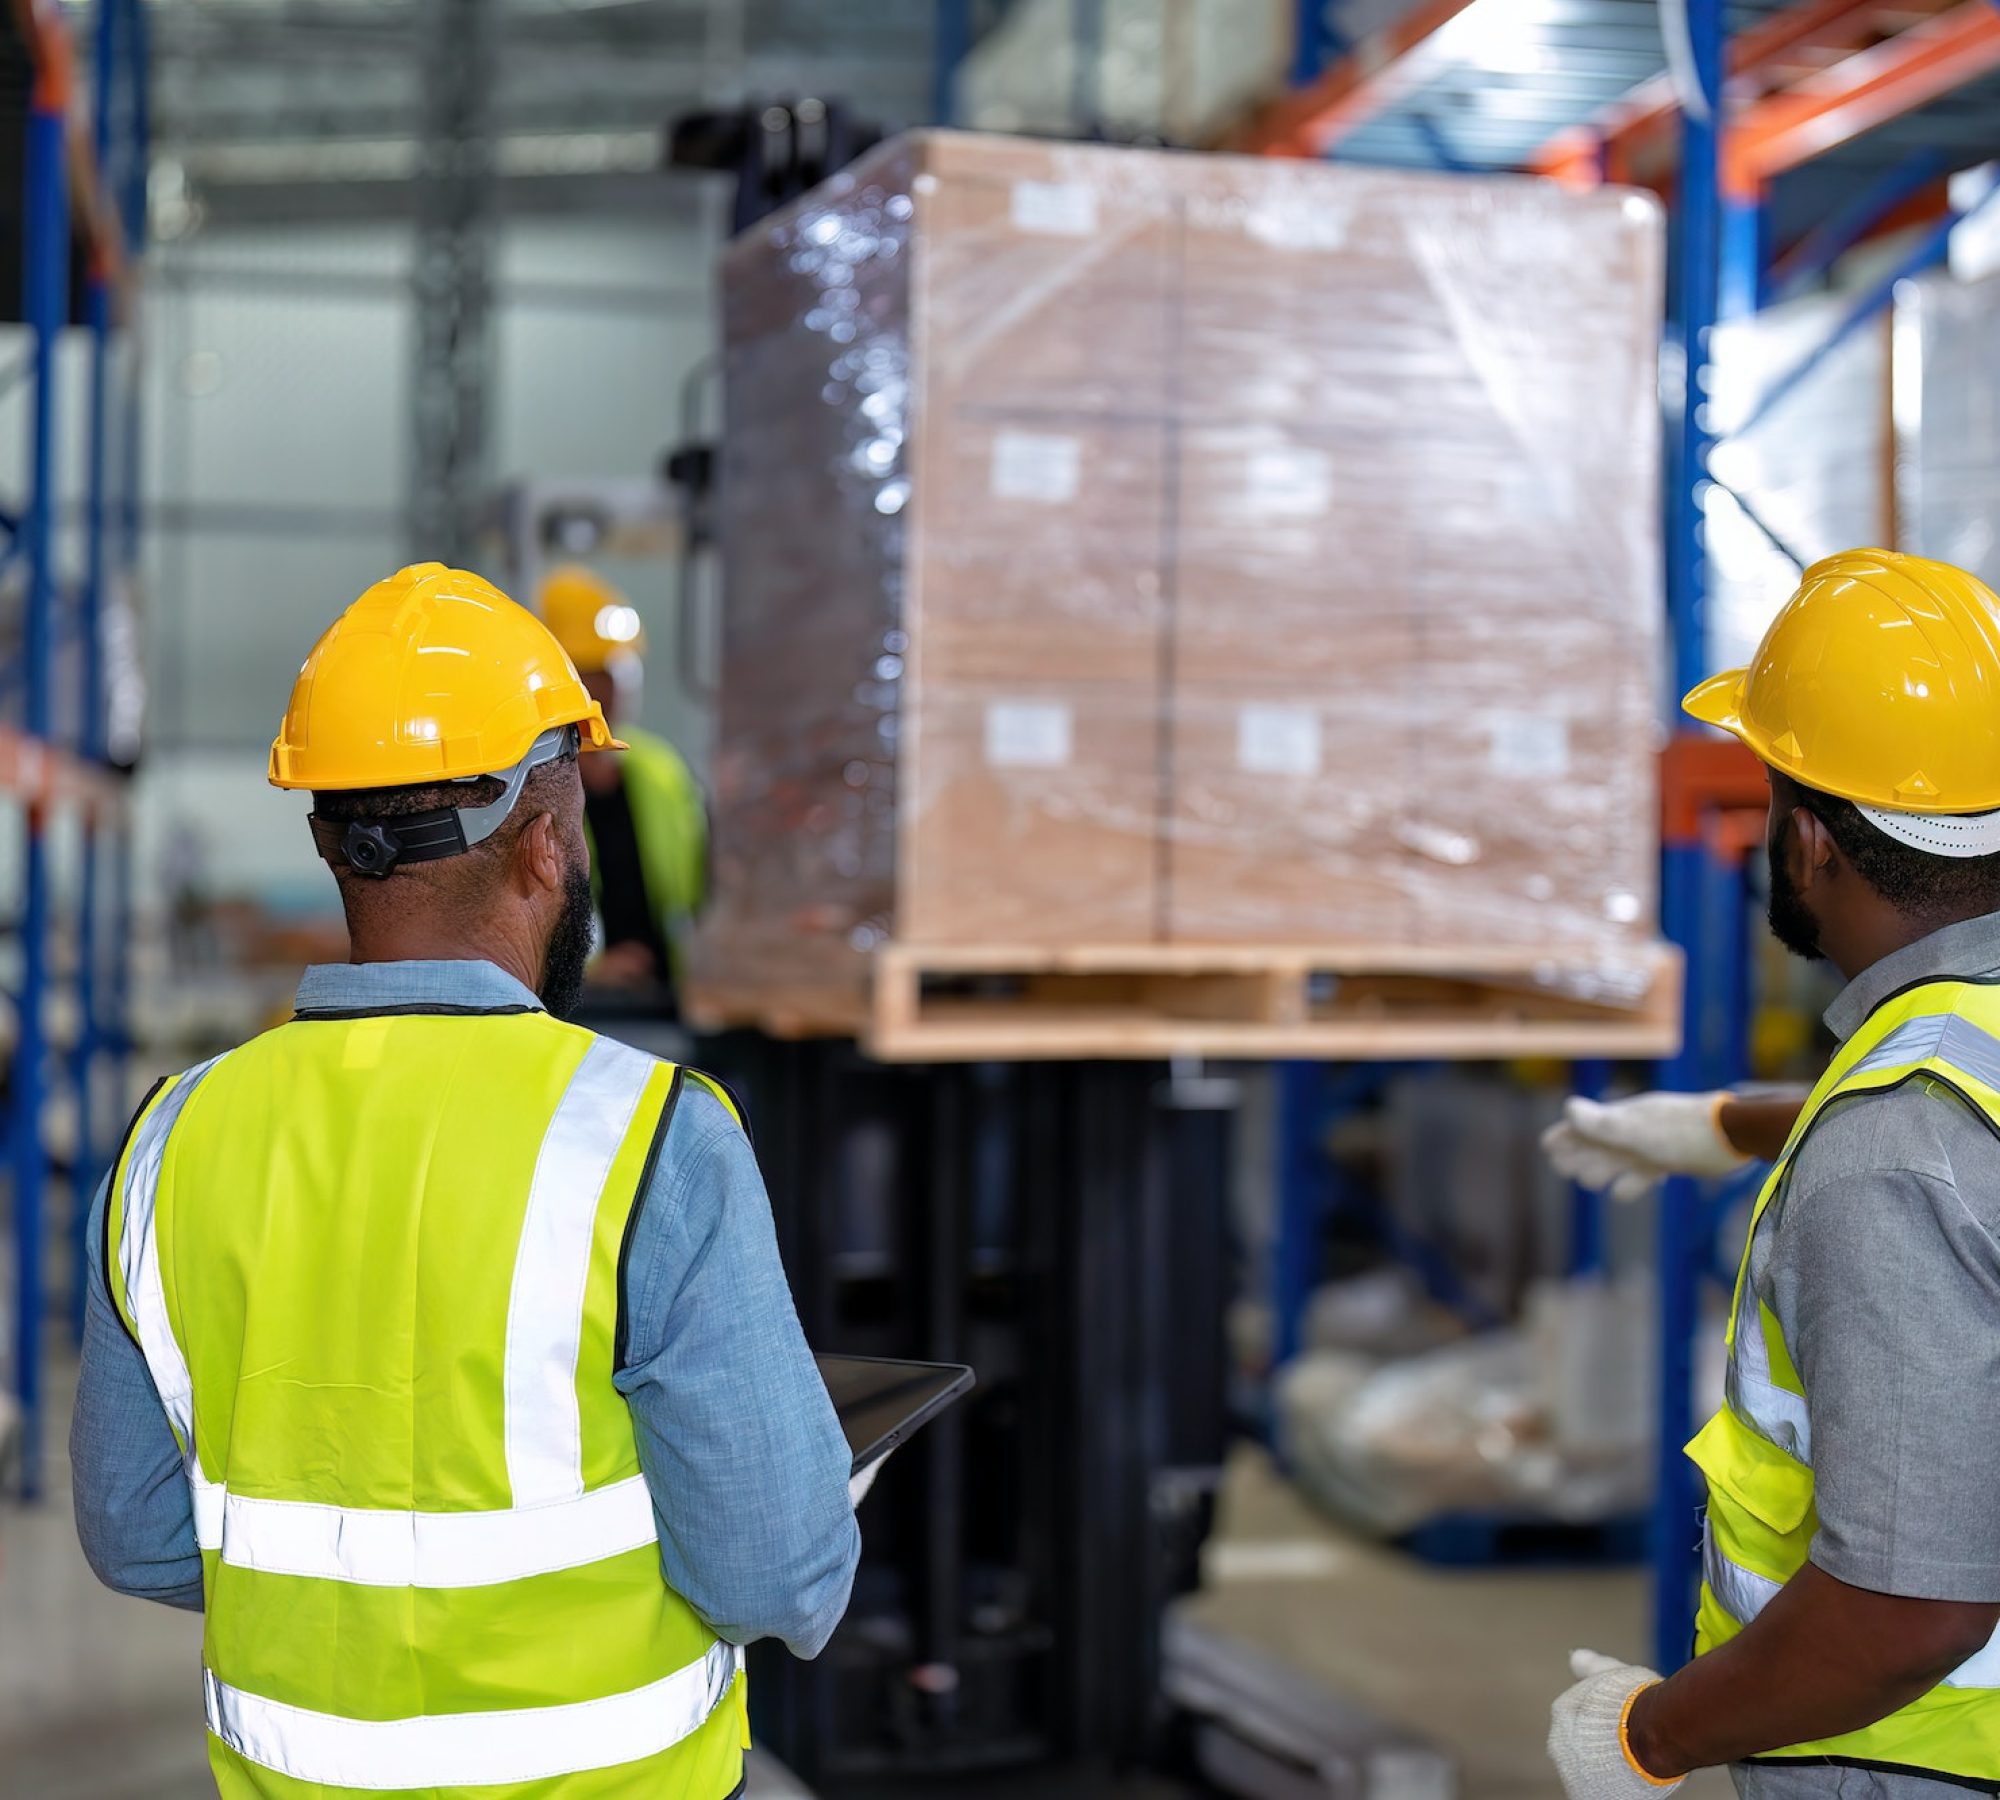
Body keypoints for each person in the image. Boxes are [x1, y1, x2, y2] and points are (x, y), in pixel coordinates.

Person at [71, 563, 859, 1799]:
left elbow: (136, 1536)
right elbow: (778, 1576)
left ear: (333, 845)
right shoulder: (654, 1140)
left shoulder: (171, 1141)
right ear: (547, 846)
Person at [1544, 548, 2000, 1800]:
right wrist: (1735, 1124)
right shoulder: (1948, 1085)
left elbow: (1906, 1611)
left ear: (1806, 842)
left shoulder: (1891, 1152)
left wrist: (1648, 1736)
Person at [540, 565, 708, 1013]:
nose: (609, 688)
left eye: (619, 669)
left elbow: (697, 888)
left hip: (665, 998)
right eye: (593, 671)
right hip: (575, 1006)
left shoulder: (660, 771)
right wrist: (593, 969)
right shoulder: (532, 782)